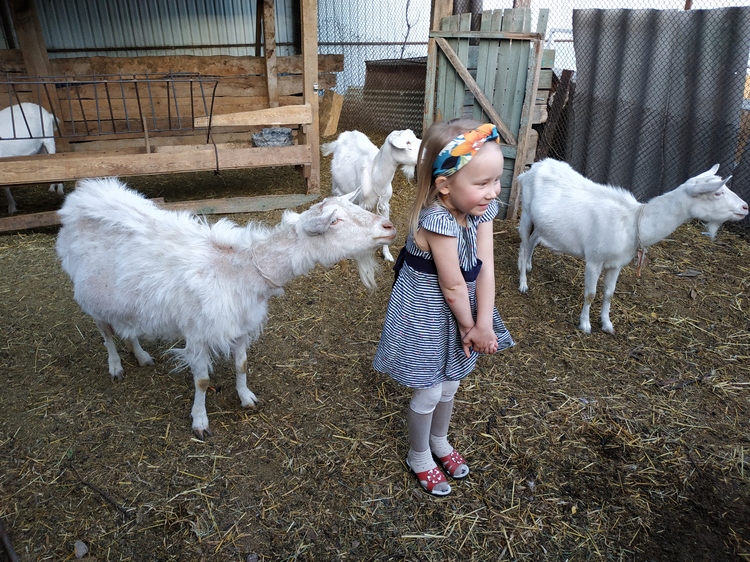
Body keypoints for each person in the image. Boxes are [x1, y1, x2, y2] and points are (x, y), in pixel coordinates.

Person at [373, 119, 515, 496]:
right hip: (427, 312)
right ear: (444, 185)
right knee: (430, 390)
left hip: (463, 311)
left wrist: (484, 322)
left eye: (497, 179)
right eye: (482, 183)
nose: (493, 191)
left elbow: (485, 268)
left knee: (451, 382)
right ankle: (418, 454)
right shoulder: (436, 219)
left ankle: (440, 440)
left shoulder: (481, 210)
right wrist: (471, 327)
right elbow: (451, 286)